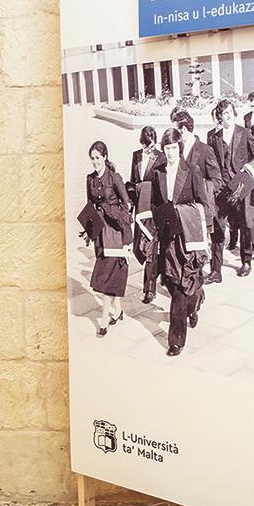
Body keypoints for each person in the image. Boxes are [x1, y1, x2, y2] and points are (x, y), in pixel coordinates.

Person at [152, 128, 210, 357]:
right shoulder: (158, 173)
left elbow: (203, 204)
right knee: (174, 285)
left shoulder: (192, 171)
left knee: (187, 287)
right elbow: (156, 204)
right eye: (166, 148)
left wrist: (182, 213)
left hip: (188, 239)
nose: (170, 153)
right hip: (168, 239)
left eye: (174, 148)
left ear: (180, 148)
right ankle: (180, 328)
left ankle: (176, 338)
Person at [83, 140, 132, 335]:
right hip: (100, 233)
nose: (95, 162)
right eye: (92, 159)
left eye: (98, 158)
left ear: (105, 157)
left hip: (115, 232)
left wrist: (127, 239)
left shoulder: (114, 178)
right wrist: (89, 231)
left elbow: (126, 206)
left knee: (106, 275)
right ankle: (118, 310)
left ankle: (104, 319)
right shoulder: (90, 179)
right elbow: (89, 205)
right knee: (110, 272)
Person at [207, 98, 254, 279]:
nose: (227, 116)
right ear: (219, 116)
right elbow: (210, 163)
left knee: (245, 224)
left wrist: (248, 169)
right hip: (222, 189)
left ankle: (246, 261)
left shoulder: (245, 133)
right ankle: (216, 270)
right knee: (218, 227)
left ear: (234, 113)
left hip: (242, 187)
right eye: (223, 114)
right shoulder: (214, 137)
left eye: (229, 112)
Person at [129, 126, 163, 304]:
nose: (149, 150)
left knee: (151, 249)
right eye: (146, 147)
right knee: (138, 248)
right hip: (139, 210)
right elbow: (133, 181)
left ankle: (149, 289)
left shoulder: (161, 157)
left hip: (153, 210)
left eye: (152, 147)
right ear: (141, 143)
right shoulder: (135, 156)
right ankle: (158, 272)